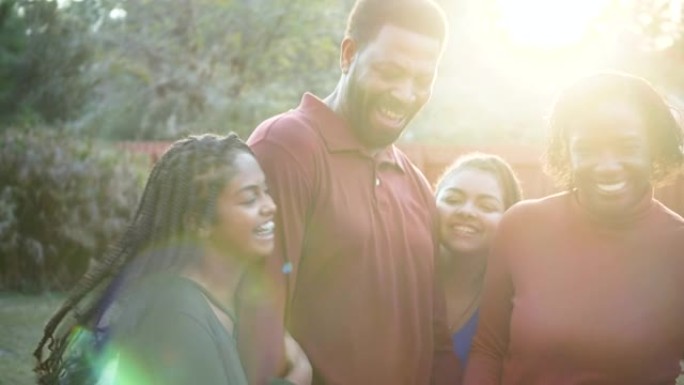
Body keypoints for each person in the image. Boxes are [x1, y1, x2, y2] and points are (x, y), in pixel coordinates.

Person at [242, 0, 460, 384]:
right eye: (391, 72)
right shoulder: (287, 149)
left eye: (422, 80)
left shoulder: (416, 185)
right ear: (348, 54)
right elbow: (255, 315)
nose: (405, 93)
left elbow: (436, 338)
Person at [34, 133, 311, 385]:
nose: (271, 207)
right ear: (198, 222)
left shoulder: (226, 297)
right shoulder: (177, 315)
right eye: (250, 198)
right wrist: (299, 374)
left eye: (267, 192)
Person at [464, 72, 684, 384]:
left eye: (627, 146)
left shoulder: (678, 248)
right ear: (567, 153)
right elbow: (488, 349)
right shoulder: (521, 227)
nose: (607, 166)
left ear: (654, 148)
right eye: (588, 148)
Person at [434, 153, 522, 367]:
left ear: (509, 218)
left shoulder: (517, 302)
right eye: (453, 200)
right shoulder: (399, 278)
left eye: (486, 206)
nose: (466, 212)